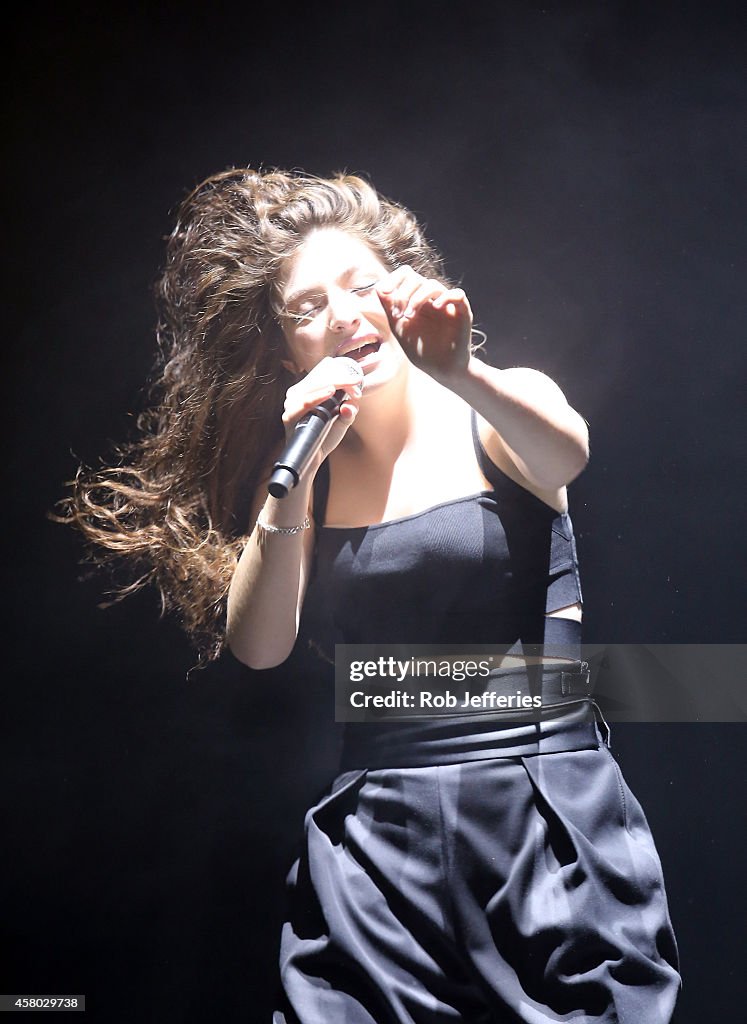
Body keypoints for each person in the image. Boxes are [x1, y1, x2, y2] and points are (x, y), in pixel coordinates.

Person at [63, 168, 680, 1022]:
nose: (345, 315)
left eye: (361, 286)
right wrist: (292, 476)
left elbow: (563, 453)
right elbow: (259, 646)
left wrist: (459, 371)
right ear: (286, 349)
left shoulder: (496, 405)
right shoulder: (300, 479)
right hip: (378, 842)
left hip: (538, 818)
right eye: (308, 306)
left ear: (404, 292)